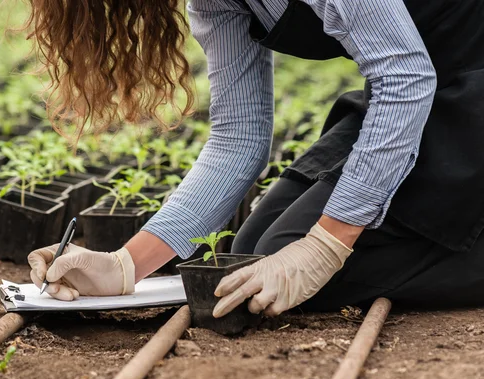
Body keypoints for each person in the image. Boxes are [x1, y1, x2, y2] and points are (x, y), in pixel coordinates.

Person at [26, 0, 484, 318]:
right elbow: (238, 136)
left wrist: (326, 246)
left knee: (292, 263)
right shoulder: (217, 4)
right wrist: (124, 267)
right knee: (249, 259)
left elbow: (403, 76)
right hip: (430, 90)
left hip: (446, 92)